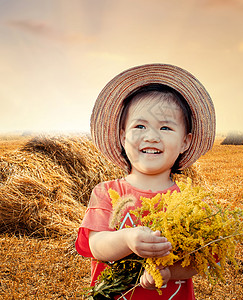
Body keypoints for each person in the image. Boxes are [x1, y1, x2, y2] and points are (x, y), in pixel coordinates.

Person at [75, 63, 215, 299]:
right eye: (139, 125)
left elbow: (203, 259)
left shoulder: (190, 203)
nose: (151, 136)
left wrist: (168, 272)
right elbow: (97, 246)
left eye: (165, 127)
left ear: (185, 142)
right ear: (122, 136)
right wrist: (127, 238)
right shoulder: (106, 193)